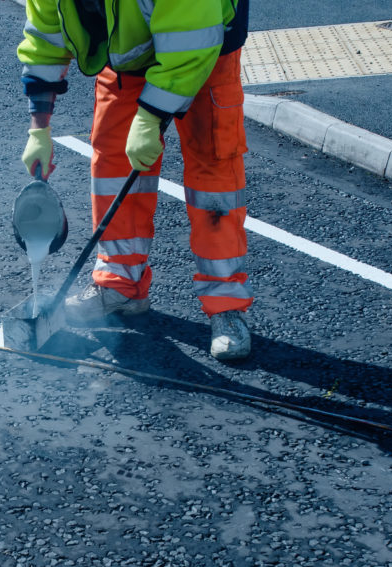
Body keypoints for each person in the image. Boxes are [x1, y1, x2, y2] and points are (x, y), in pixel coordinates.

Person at [18, 0, 253, 361]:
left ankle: (225, 306)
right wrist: (40, 127)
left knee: (212, 171)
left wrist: (151, 116)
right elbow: (46, 33)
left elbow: (190, 40)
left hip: (204, 44)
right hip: (128, 54)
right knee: (113, 157)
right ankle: (121, 283)